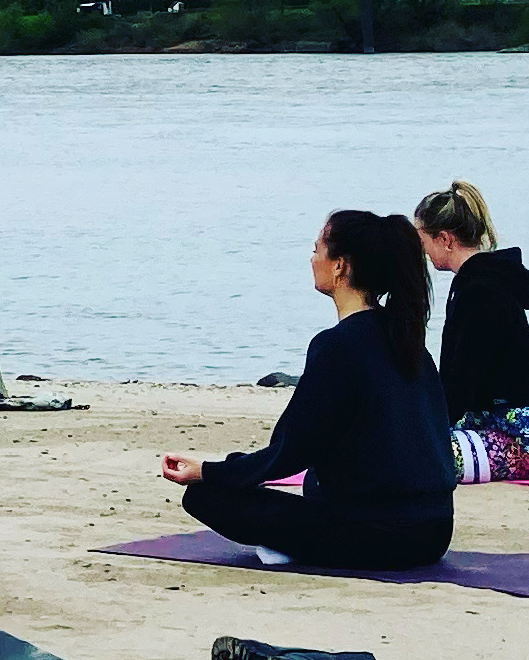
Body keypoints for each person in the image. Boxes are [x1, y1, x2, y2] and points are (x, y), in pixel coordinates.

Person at [158, 210, 453, 570]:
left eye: (317, 249)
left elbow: (289, 452)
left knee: (203, 498)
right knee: (314, 487)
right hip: (434, 532)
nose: (312, 258)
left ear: (340, 266)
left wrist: (209, 471)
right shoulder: (410, 344)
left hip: (379, 536)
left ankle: (293, 545)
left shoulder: (337, 346)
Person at [415, 177, 529, 481]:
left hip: (522, 440)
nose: (423, 251)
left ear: (445, 239)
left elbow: (462, 380)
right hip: (517, 429)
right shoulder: (481, 282)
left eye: (422, 240)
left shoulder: (479, 292)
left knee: (407, 455)